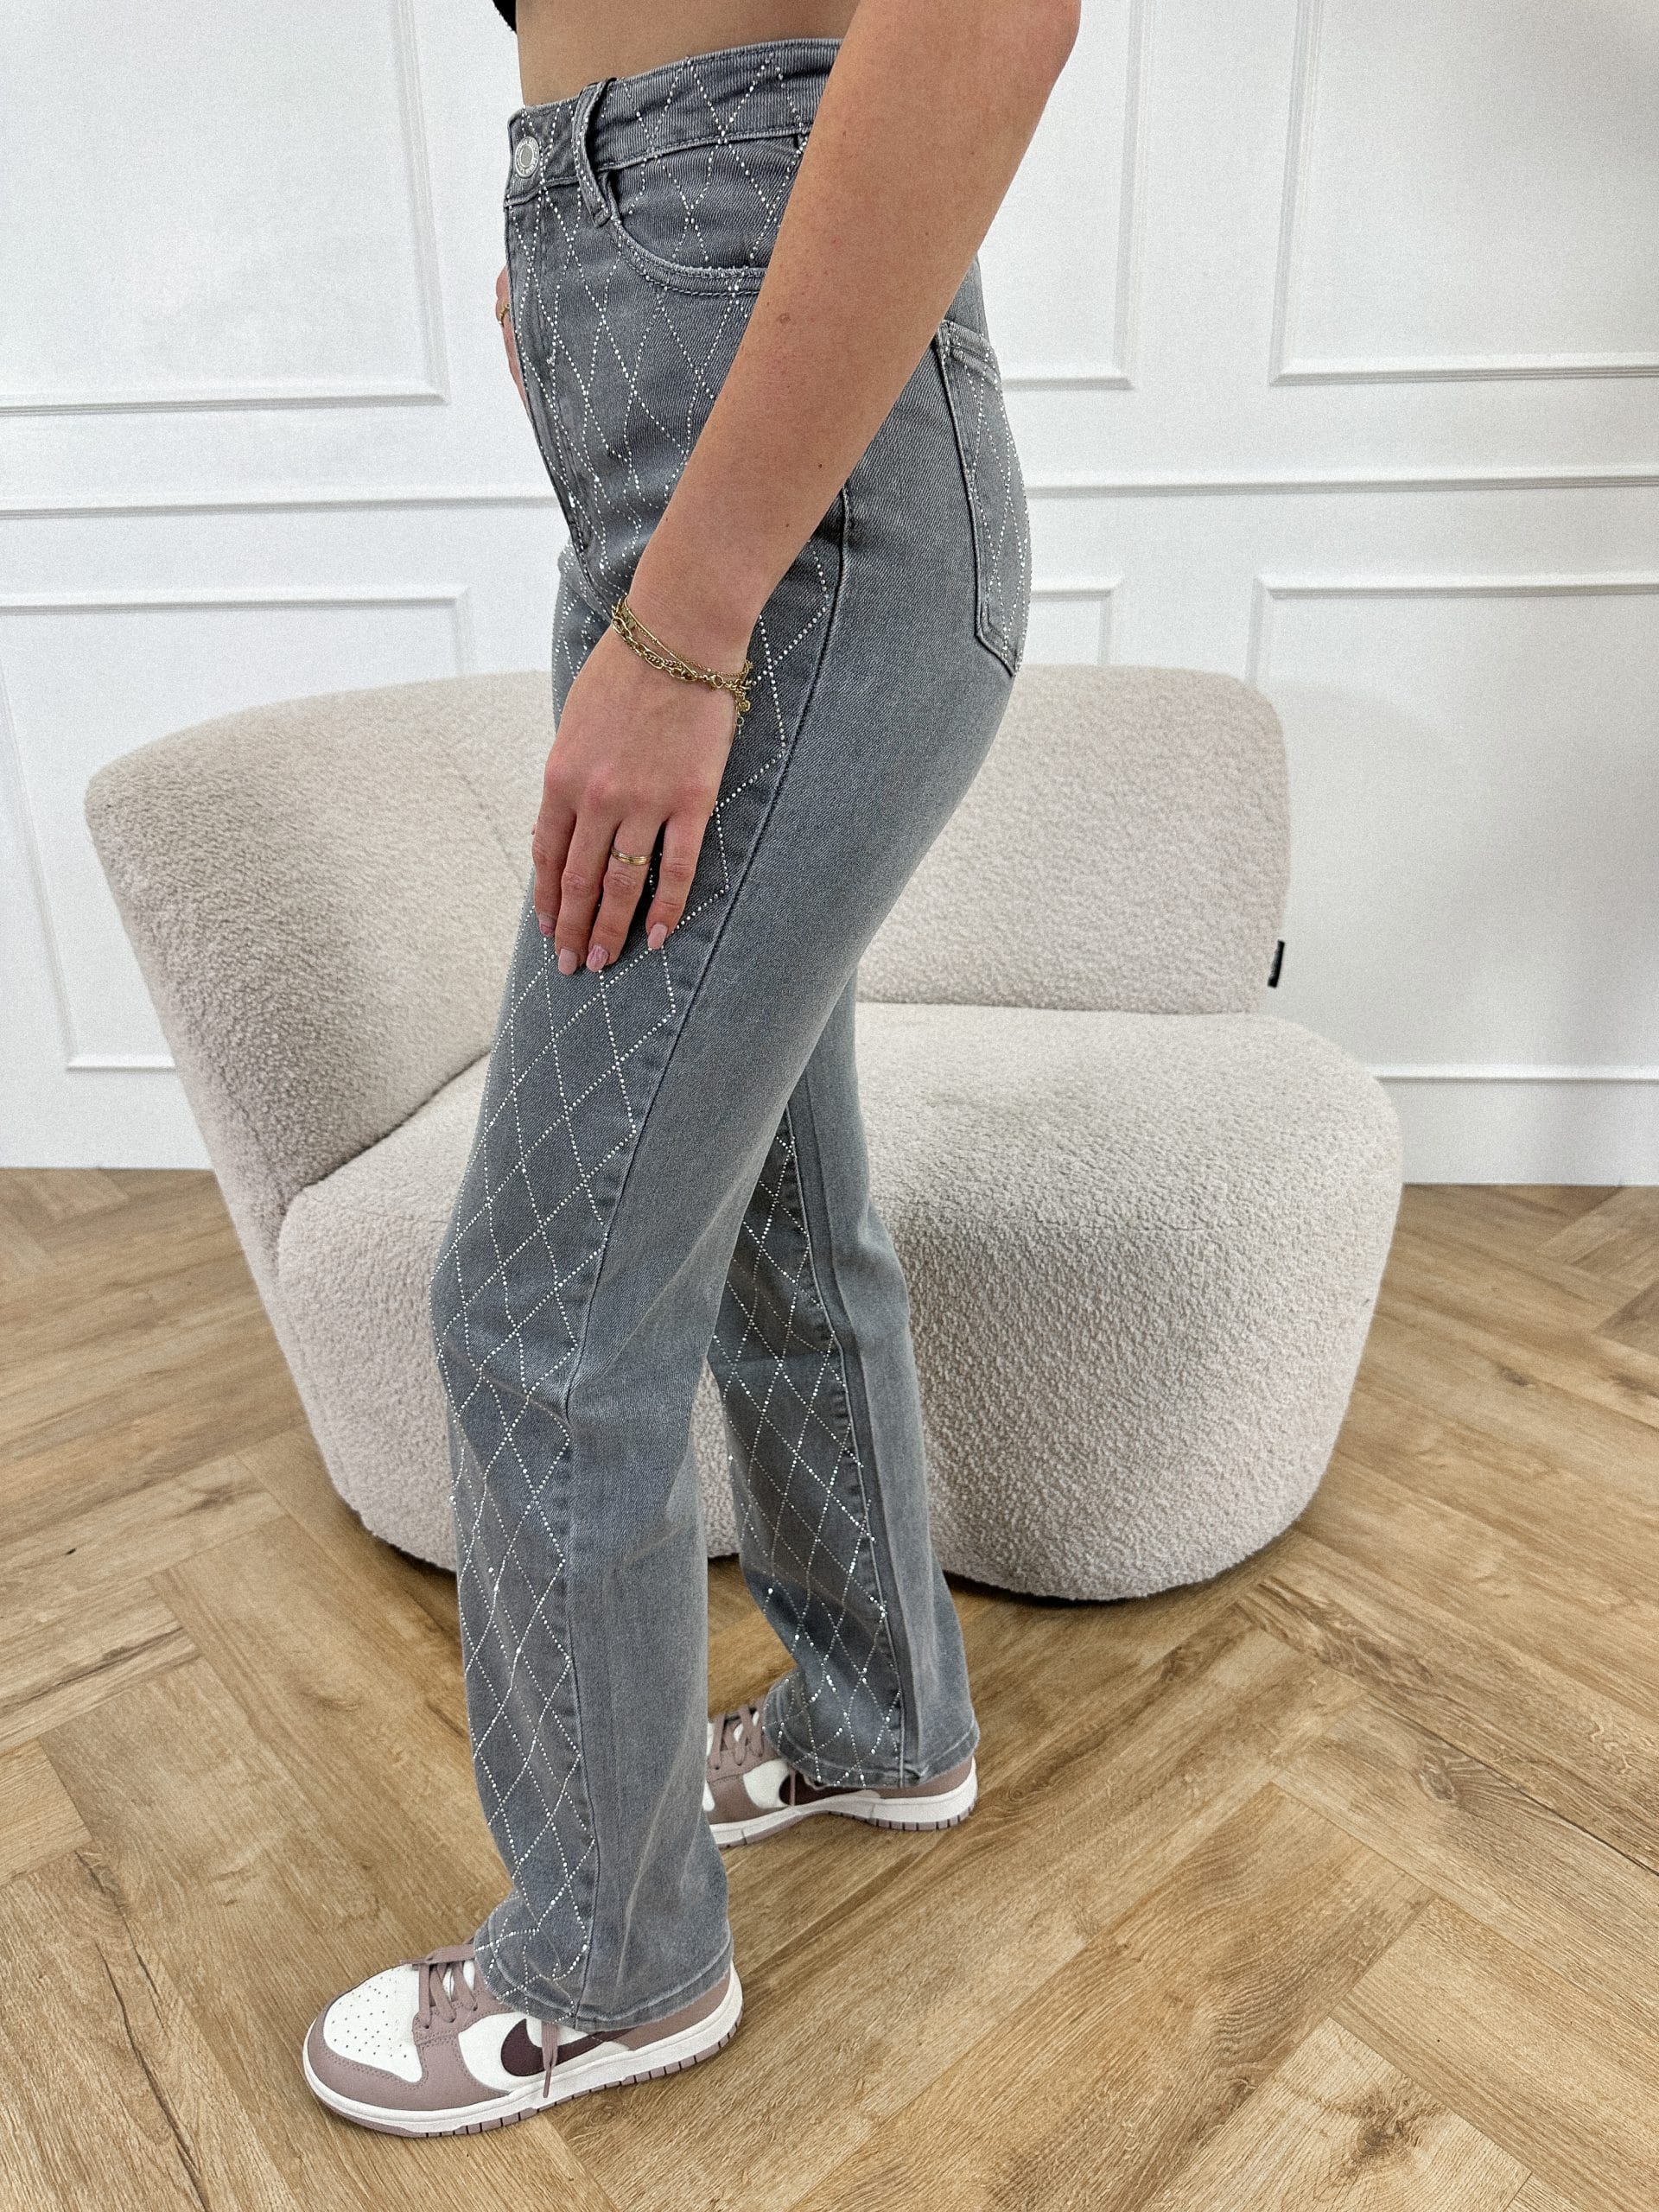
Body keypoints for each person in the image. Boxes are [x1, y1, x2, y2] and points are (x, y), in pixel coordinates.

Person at [302, 0, 1074, 2136]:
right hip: (695, 467)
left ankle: (612, 1954)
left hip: (779, 535)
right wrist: (576, 250)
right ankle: (880, 1714)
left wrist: (689, 616)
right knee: (772, 1214)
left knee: (542, 1302)